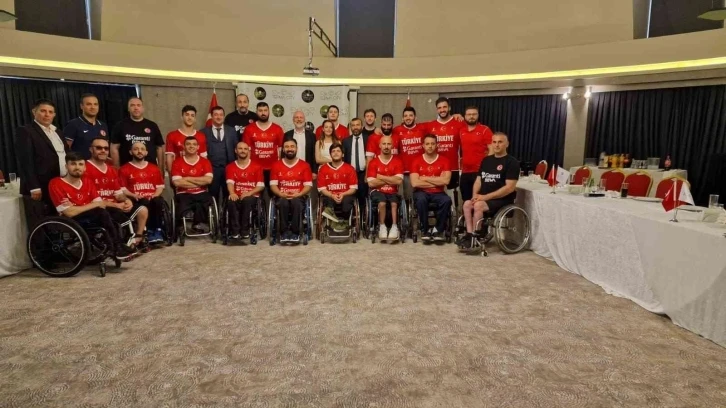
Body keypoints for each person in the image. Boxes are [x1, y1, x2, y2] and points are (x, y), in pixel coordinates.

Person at [48, 152, 137, 261]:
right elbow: (69, 212)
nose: (77, 167)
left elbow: (101, 204)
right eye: (73, 164)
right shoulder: (56, 183)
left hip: (89, 216)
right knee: (101, 213)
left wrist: (79, 206)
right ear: (66, 166)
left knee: (114, 211)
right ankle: (116, 248)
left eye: (80, 164)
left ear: (85, 167)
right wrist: (93, 204)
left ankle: (122, 244)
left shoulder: (87, 182)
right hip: (72, 221)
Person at [15, 98, 71, 230]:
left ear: (54, 115)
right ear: (34, 112)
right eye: (43, 111)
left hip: (58, 184)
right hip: (39, 187)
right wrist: (33, 186)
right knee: (40, 224)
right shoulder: (26, 131)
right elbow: (25, 161)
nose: (47, 115)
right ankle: (39, 245)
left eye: (50, 112)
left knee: (57, 222)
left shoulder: (58, 132)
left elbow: (66, 155)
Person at [84, 137, 148, 247]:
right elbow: (90, 200)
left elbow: (118, 194)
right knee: (119, 216)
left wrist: (127, 200)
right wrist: (116, 205)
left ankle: (137, 239)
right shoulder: (84, 168)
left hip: (116, 205)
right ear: (91, 149)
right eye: (99, 148)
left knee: (142, 210)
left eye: (106, 148)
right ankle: (122, 245)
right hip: (99, 208)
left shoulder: (112, 169)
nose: (103, 151)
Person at [460, 132, 520, 249]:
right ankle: (470, 234)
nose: (496, 145)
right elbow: (478, 181)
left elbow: (509, 188)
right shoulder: (486, 160)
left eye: (500, 142)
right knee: (467, 204)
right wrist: (474, 195)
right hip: (484, 198)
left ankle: (477, 235)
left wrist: (484, 197)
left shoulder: (512, 162)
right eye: (494, 142)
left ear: (507, 144)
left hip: (502, 200)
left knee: (478, 206)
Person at [119, 141, 167, 244]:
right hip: (136, 199)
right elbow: (123, 189)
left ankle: (156, 230)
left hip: (152, 197)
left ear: (146, 152)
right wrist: (133, 195)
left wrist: (154, 195)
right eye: (136, 149)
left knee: (157, 201)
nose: (139, 151)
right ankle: (148, 230)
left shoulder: (154, 168)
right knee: (144, 202)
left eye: (142, 149)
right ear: (130, 152)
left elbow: (160, 187)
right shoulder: (124, 169)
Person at [410, 134, 452, 242]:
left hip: (439, 193)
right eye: (427, 144)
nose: (430, 146)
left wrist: (424, 178)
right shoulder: (416, 161)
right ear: (423, 145)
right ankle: (425, 229)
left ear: (437, 145)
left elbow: (446, 181)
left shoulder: (445, 160)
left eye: (433, 144)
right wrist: (437, 181)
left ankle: (438, 229)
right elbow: (415, 183)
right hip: (421, 192)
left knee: (447, 200)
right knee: (421, 200)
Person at [270, 139, 313, 243]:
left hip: (299, 196)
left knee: (296, 202)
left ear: (296, 149)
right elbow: (273, 185)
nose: (290, 149)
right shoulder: (276, 165)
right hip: (282, 196)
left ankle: (295, 233)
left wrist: (299, 193)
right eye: (287, 146)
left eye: (292, 146)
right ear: (283, 149)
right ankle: (284, 233)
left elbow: (308, 185)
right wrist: (280, 193)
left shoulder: (305, 165)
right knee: (283, 202)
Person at [171, 137, 213, 232]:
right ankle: (180, 225)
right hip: (183, 193)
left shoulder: (205, 162)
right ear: (184, 146)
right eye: (188, 144)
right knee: (181, 203)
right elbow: (177, 182)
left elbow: (208, 180)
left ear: (198, 147)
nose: (191, 146)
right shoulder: (177, 162)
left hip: (201, 193)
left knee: (204, 201)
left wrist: (187, 178)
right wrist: (200, 182)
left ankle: (197, 224)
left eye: (194, 144)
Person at [423, 97, 465, 194]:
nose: (442, 110)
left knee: (453, 197)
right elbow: (413, 128)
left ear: (449, 108)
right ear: (436, 109)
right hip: (436, 168)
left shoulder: (459, 123)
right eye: (439, 108)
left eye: (444, 107)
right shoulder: (430, 125)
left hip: (453, 167)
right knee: (436, 196)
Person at [110, 97, 165, 171]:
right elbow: (114, 148)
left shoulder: (152, 126)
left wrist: (161, 170)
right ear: (128, 109)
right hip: (127, 170)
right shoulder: (120, 126)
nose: (136, 108)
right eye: (132, 105)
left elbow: (159, 148)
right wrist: (117, 170)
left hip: (150, 170)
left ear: (143, 108)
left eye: (138, 105)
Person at [242, 102, 285, 196]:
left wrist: (280, 167)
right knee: (255, 196)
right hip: (255, 169)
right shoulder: (249, 129)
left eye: (265, 110)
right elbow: (247, 150)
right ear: (256, 112)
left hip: (273, 169)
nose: (263, 113)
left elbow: (281, 150)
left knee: (275, 195)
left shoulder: (277, 129)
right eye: (260, 110)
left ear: (269, 112)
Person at [366, 135, 404, 240]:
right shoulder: (373, 162)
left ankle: (394, 227)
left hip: (393, 191)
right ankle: (382, 226)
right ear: (380, 145)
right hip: (377, 191)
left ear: (392, 146)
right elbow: (371, 183)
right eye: (384, 144)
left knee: (394, 203)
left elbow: (399, 181)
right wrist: (391, 179)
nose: (386, 146)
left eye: (388, 144)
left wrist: (381, 177)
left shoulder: (398, 161)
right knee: (382, 202)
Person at [225, 142, 264, 239]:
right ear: (235, 150)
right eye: (240, 148)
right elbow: (230, 183)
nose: (243, 151)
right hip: (236, 194)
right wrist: (232, 193)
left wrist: (249, 193)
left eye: (245, 149)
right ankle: (234, 231)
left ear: (249, 151)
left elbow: (260, 186)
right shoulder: (230, 167)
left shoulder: (257, 167)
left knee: (247, 201)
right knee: (231, 201)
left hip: (251, 195)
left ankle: (244, 230)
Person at [317, 144, 358, 233]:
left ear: (342, 154)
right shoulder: (323, 169)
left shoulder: (350, 168)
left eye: (338, 151)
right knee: (327, 200)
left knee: (347, 201)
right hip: (330, 195)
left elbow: (353, 188)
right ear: (330, 154)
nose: (335, 153)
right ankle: (334, 221)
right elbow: (322, 189)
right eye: (333, 151)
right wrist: (332, 195)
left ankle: (343, 222)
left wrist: (343, 194)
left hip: (346, 194)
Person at [200, 106, 237, 202]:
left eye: (221, 115)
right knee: (212, 196)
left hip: (228, 168)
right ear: (211, 116)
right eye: (216, 115)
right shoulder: (203, 132)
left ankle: (226, 212)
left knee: (228, 195)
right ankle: (214, 212)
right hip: (212, 170)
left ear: (224, 116)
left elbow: (236, 149)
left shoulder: (231, 131)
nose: (218, 117)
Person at [459, 106, 494, 202]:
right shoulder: (461, 130)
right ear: (465, 116)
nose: (471, 116)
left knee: (478, 201)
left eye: (474, 114)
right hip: (465, 172)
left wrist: (487, 167)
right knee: (466, 201)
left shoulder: (485, 130)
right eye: (469, 114)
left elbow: (492, 150)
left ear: (478, 115)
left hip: (480, 172)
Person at [393, 107, 427, 200]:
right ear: (402, 118)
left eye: (411, 115)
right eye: (405, 116)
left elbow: (438, 123)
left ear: (415, 117)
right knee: (408, 197)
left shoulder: (423, 128)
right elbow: (385, 133)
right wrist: (377, 130)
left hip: (421, 170)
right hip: (406, 171)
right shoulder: (396, 130)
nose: (408, 118)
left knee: (422, 197)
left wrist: (455, 115)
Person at [165, 105, 208, 175]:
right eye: (187, 115)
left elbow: (204, 157)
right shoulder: (172, 135)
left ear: (195, 119)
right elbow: (170, 157)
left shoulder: (201, 136)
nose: (190, 118)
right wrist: (172, 175)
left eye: (192, 115)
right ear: (182, 117)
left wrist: (205, 174)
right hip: (179, 174)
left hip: (198, 174)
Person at [64, 93, 109, 159]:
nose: (93, 107)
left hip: (98, 164)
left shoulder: (103, 125)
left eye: (95, 104)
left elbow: (105, 148)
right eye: (89, 104)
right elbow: (65, 150)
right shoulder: (73, 124)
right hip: (80, 164)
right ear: (81, 106)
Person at [342, 118, 369, 210]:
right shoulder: (345, 141)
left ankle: (362, 215)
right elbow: (344, 159)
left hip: (363, 173)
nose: (355, 127)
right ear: (350, 127)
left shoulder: (368, 139)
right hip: (350, 174)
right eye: (353, 125)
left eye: (357, 125)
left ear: (362, 126)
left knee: (363, 197)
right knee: (350, 197)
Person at [283, 110, 317, 175]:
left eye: (301, 117)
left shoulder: (312, 136)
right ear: (293, 120)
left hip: (307, 170)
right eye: (296, 117)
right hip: (290, 169)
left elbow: (314, 154)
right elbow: (283, 153)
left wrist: (314, 171)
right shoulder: (287, 135)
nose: (299, 119)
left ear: (304, 120)